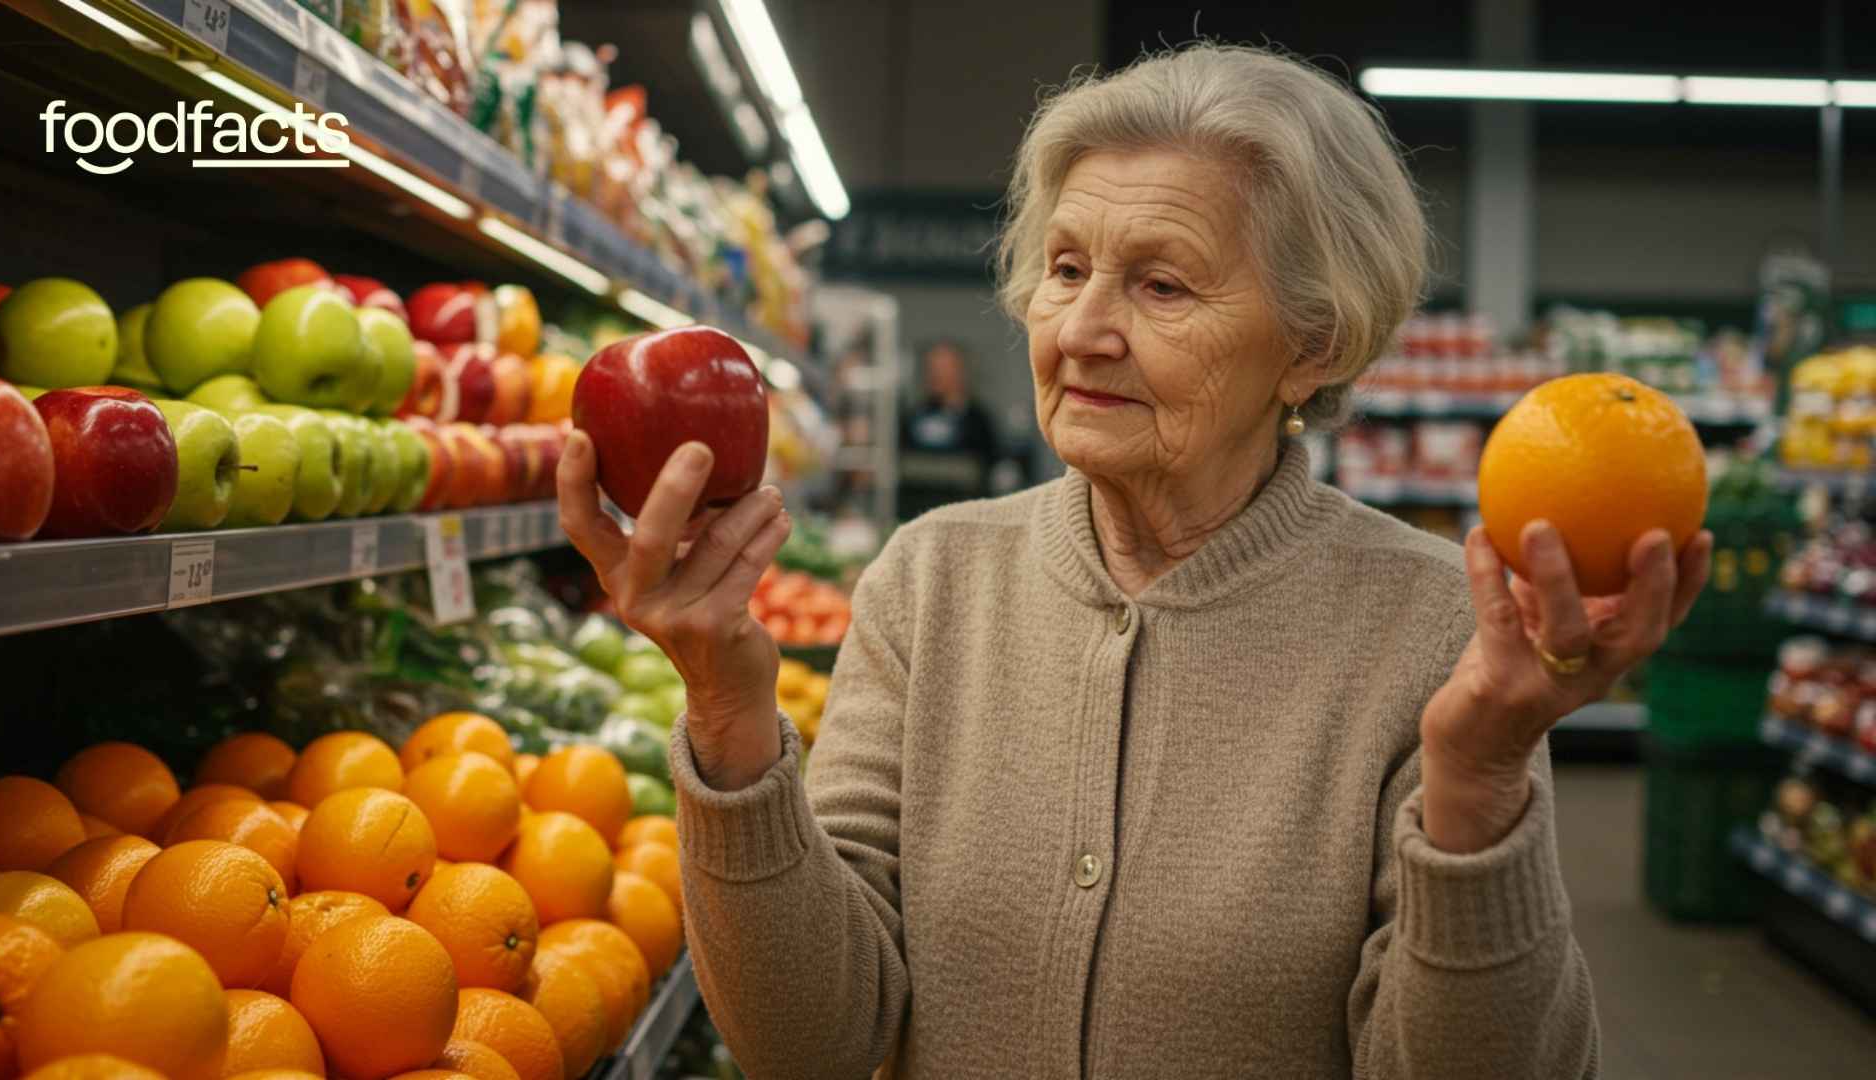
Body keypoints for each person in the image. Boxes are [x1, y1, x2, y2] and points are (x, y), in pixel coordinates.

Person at [557, 43, 1711, 1079]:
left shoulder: (1432, 632)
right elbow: (811, 1043)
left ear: (1312, 344)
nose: (1079, 330)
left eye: (1160, 284)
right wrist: (725, 709)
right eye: (1065, 270)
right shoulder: (932, 581)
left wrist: (1479, 785)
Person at [896, 340, 1001, 519]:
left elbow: (987, 466)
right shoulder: (911, 417)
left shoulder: (979, 420)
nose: (937, 374)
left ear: (960, 371)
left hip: (964, 515)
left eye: (945, 367)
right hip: (915, 513)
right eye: (933, 367)